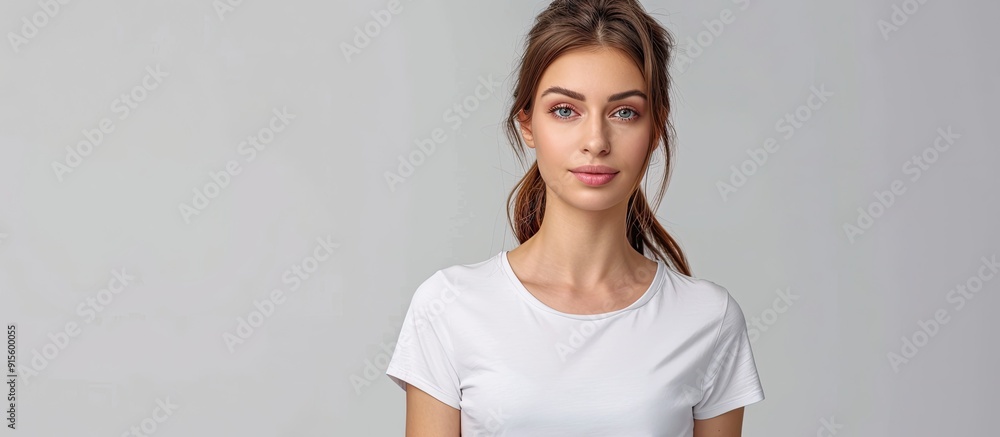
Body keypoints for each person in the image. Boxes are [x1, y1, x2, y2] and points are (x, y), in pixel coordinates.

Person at [385, 0, 764, 435]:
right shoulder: (448, 307)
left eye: (625, 112)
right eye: (565, 110)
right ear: (527, 123)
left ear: (656, 128)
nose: (596, 141)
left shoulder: (708, 319)